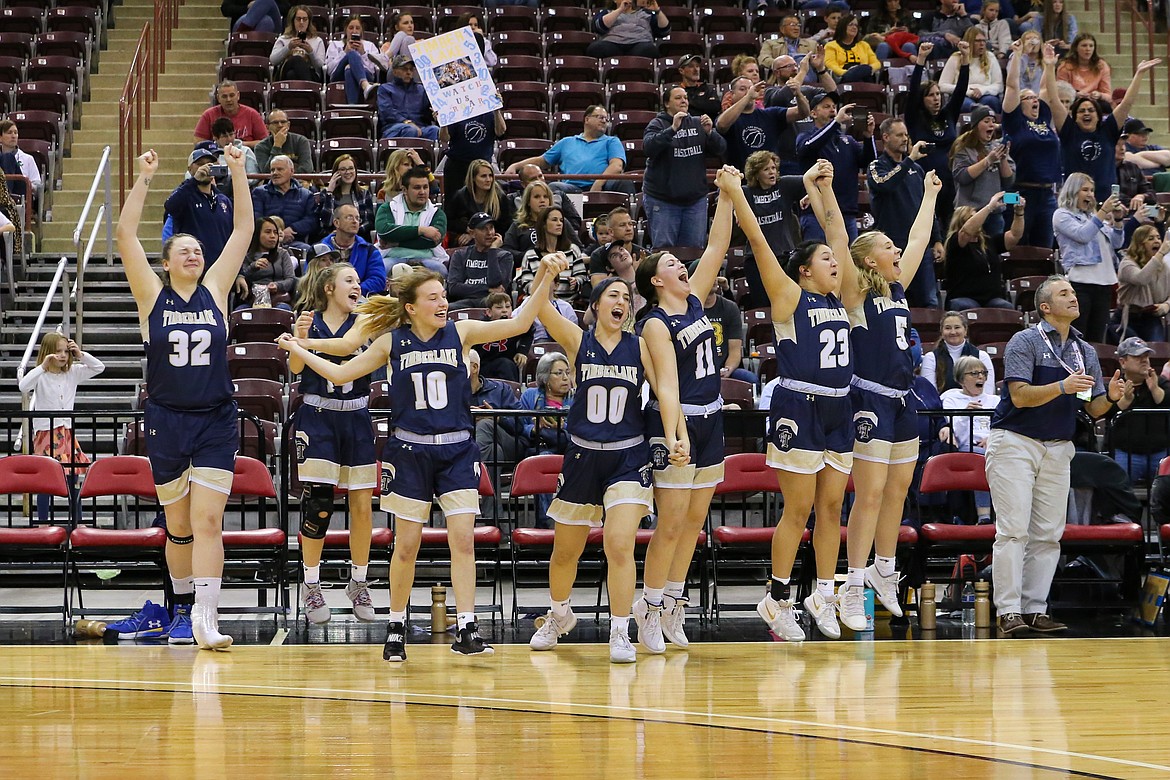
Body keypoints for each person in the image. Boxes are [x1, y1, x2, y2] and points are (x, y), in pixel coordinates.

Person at [278, 255, 566, 661]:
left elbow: (518, 324)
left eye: (444, 295)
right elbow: (341, 373)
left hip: (457, 448)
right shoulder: (391, 341)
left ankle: (466, 626)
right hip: (409, 450)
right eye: (433, 297)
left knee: (463, 541)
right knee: (407, 544)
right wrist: (298, 347)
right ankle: (395, 626)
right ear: (411, 307)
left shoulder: (461, 332)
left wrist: (543, 277)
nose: (443, 302)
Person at [112, 145, 253, 649]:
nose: (195, 254)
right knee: (178, 529)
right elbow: (125, 234)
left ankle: (205, 620)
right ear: (167, 262)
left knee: (209, 519)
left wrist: (238, 172)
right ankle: (181, 608)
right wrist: (145, 178)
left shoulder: (216, 290)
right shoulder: (152, 295)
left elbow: (242, 232)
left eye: (198, 250)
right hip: (166, 419)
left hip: (215, 418)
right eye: (185, 250)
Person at [528, 275, 678, 663]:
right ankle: (559, 616)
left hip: (628, 456)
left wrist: (676, 435)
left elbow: (665, 390)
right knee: (565, 552)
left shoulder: (640, 346)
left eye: (626, 298)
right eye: (613, 295)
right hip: (582, 456)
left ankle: (620, 631)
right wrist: (547, 270)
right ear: (594, 305)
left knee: (620, 543)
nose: (622, 302)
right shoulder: (580, 341)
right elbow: (540, 304)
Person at [739, 160, 858, 641]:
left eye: (835, 259)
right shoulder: (790, 298)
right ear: (805, 270)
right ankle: (778, 597)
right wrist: (736, 195)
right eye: (825, 260)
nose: (835, 262)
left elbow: (842, 238)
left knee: (832, 509)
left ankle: (824, 593)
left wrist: (820, 189)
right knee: (799, 509)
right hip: (800, 406)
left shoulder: (841, 299)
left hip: (839, 406)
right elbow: (761, 243)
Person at [984, 275, 1126, 635]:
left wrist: (1109, 397)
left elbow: (1091, 409)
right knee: (1013, 531)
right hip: (1015, 441)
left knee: (1048, 534)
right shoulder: (1025, 340)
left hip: (1059, 445)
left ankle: (1034, 609)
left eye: (1075, 292)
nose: (1074, 297)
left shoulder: (1086, 351)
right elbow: (1019, 395)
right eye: (1065, 293)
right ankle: (1008, 611)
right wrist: (1063, 386)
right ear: (1045, 307)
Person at [630, 168, 736, 653]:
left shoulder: (694, 301)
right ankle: (647, 606)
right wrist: (676, 435)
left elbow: (715, 246)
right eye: (673, 263)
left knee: (694, 523)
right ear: (657, 280)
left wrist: (728, 196)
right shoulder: (654, 323)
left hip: (711, 415)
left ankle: (673, 601)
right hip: (677, 422)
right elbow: (666, 384)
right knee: (669, 523)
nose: (683, 266)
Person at [839, 160, 944, 628]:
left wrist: (931, 195)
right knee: (871, 492)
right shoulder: (856, 294)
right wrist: (824, 197)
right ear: (866, 260)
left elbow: (919, 239)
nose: (897, 249)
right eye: (887, 245)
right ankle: (853, 580)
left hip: (903, 399)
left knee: (900, 489)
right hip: (869, 399)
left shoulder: (898, 288)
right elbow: (840, 246)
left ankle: (885, 568)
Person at [288, 262, 378, 625]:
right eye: (350, 280)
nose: (358, 285)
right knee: (319, 505)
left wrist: (305, 341)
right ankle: (311, 585)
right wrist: (297, 336)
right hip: (318, 417)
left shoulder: (366, 322)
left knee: (362, 506)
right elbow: (295, 369)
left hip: (356, 416)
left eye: (358, 280)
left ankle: (358, 582)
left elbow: (345, 347)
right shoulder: (308, 319)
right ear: (329, 288)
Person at [18, 333, 103, 524]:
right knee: (45, 480)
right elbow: (24, 387)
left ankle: (77, 521)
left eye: (66, 351)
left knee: (72, 478)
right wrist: (43, 366)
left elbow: (99, 367)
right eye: (58, 351)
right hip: (46, 432)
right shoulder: (42, 375)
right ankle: (42, 521)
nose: (63, 355)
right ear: (48, 352)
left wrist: (80, 354)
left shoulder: (72, 372)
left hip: (65, 432)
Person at [1054, 56, 1161, 203]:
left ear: (1098, 116)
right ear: (1075, 117)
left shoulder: (1108, 131)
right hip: (1074, 203)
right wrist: (1048, 68)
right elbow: (1053, 101)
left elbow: (1126, 103)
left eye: (1091, 110)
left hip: (1105, 202)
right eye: (1081, 111)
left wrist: (1139, 74)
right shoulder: (1069, 132)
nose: (1086, 113)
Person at [867, 117, 943, 308]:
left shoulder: (916, 170)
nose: (905, 139)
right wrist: (909, 160)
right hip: (890, 247)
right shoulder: (877, 166)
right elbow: (884, 185)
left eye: (906, 135)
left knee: (929, 302)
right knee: (892, 301)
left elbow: (927, 206)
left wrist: (937, 238)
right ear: (885, 137)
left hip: (920, 248)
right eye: (899, 135)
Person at [642, 86, 727, 249]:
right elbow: (648, 148)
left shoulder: (697, 122)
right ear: (666, 104)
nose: (684, 101)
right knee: (664, 252)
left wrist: (710, 133)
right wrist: (672, 129)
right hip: (663, 200)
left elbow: (721, 149)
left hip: (695, 201)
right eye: (678, 98)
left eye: (686, 98)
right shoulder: (658, 124)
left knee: (694, 251)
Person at [1001, 39, 1062, 248]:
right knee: (1017, 248)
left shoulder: (1044, 119)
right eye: (1028, 98)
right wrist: (1017, 56)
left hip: (1047, 195)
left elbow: (1045, 87)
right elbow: (1012, 85)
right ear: (1019, 103)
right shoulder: (1015, 121)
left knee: (1044, 249)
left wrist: (1049, 64)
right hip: (1018, 193)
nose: (1035, 100)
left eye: (1035, 98)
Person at [796, 90, 878, 244]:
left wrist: (869, 136)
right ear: (813, 114)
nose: (832, 110)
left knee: (848, 264)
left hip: (846, 213)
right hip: (817, 213)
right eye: (826, 106)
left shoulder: (848, 140)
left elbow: (870, 162)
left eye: (834, 106)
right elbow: (808, 148)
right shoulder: (805, 137)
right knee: (819, 262)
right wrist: (835, 123)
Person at [904, 41, 970, 229]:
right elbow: (913, 91)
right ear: (922, 99)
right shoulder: (914, 119)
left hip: (949, 181)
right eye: (931, 95)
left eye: (938, 94)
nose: (937, 99)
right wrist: (921, 60)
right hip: (924, 182)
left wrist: (965, 59)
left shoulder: (948, 115)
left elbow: (960, 91)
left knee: (950, 228)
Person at [1053, 172, 1124, 343]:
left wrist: (1118, 219)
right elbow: (1083, 235)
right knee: (1079, 336)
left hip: (1104, 283)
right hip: (1081, 284)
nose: (1090, 194)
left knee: (1098, 339)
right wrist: (1104, 212)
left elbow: (1116, 243)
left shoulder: (1093, 217)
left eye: (1092, 190)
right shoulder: (1062, 215)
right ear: (1073, 191)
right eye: (1085, 190)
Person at [505, 106, 630, 195]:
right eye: (600, 117)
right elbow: (542, 161)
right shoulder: (567, 142)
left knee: (623, 182)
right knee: (554, 187)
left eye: (606, 119)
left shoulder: (612, 141)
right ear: (586, 119)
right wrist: (515, 166)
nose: (604, 121)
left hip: (602, 187)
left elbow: (617, 166)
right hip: (572, 188)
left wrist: (598, 183)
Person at [737, 151, 807, 309]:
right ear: (756, 173)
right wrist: (735, 209)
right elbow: (725, 193)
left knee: (788, 305)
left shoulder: (785, 185)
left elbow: (812, 179)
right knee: (763, 306)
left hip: (784, 257)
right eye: (766, 169)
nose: (772, 172)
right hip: (755, 260)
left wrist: (810, 194)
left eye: (774, 168)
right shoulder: (746, 192)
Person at [941, 355, 999, 523]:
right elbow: (954, 434)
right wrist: (966, 414)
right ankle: (985, 517)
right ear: (961, 379)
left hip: (993, 446)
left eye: (983, 373)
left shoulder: (995, 401)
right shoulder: (951, 399)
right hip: (966, 447)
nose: (980, 377)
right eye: (974, 373)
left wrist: (992, 438)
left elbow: (1003, 427)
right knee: (981, 459)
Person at [1107, 336, 1170, 485]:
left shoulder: (1160, 382)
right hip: (1125, 453)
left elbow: (1168, 402)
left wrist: (1154, 389)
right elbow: (1106, 413)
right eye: (1137, 357)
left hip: (1160, 452)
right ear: (1123, 362)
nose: (1144, 360)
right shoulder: (1116, 385)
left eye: (1146, 356)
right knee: (1116, 487)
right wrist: (1126, 400)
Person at [944, 194, 1025, 310]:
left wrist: (1019, 213)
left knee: (1005, 307)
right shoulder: (955, 242)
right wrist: (989, 207)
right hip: (964, 297)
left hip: (993, 298)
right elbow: (966, 232)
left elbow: (1014, 236)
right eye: (972, 218)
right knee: (969, 307)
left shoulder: (989, 242)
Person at [716, 76, 809, 172]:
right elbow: (722, 125)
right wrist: (748, 96)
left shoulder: (770, 114)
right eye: (742, 89)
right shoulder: (729, 117)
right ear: (732, 94)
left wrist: (798, 94)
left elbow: (803, 113)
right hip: (740, 176)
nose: (750, 92)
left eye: (751, 89)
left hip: (770, 177)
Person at [951, 105, 1016, 237]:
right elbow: (962, 177)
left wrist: (1003, 160)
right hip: (969, 213)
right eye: (986, 121)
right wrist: (988, 160)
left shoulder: (997, 147)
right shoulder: (963, 149)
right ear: (975, 126)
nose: (991, 125)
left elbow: (1009, 181)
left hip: (994, 214)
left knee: (993, 254)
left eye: (993, 121)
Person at [164, 144, 234, 268]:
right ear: (189, 169)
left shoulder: (224, 200)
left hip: (221, 271)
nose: (206, 167)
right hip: (192, 267)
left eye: (210, 163)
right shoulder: (184, 196)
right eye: (200, 164)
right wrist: (194, 181)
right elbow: (170, 206)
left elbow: (233, 238)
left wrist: (239, 273)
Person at [375, 165, 448, 275]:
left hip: (426, 259)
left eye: (425, 187)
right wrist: (420, 230)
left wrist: (397, 242)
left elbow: (431, 241)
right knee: (380, 270)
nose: (422, 192)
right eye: (417, 188)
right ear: (404, 190)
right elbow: (385, 232)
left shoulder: (437, 213)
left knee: (440, 270)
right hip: (393, 257)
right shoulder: (387, 208)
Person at [696, 265, 757, 384]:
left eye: (715, 275)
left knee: (750, 379)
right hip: (697, 370)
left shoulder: (729, 307)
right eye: (708, 275)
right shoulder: (686, 308)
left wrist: (727, 370)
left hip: (723, 367)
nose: (713, 278)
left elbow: (735, 350)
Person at [251, 155, 322, 252]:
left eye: (280, 169)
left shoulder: (306, 195)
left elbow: (312, 220)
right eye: (272, 170)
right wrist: (275, 233)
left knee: (310, 251)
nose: (275, 173)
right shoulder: (259, 193)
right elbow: (257, 219)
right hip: (266, 243)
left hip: (294, 241)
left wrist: (292, 229)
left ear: (292, 171)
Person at [438, 104, 507, 201]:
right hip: (458, 166)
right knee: (454, 204)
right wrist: (443, 122)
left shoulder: (489, 113)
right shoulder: (456, 112)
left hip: (482, 166)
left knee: (484, 203)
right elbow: (444, 139)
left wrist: (497, 109)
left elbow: (501, 131)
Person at [517, 206, 587, 299]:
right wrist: (544, 289)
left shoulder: (573, 250)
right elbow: (526, 284)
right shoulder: (530, 255)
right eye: (554, 220)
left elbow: (582, 276)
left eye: (561, 220)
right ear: (543, 224)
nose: (559, 224)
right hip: (539, 304)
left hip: (567, 304)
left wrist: (576, 282)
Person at [446, 212, 512, 309]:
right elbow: (454, 288)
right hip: (464, 303)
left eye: (491, 228)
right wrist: (487, 289)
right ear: (472, 233)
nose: (489, 233)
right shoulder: (460, 255)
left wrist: (493, 250)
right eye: (483, 229)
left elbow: (497, 286)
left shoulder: (504, 256)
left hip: (493, 304)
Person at [318, 204, 386, 297]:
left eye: (358, 218)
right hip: (326, 299)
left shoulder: (370, 251)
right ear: (336, 223)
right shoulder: (319, 250)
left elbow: (378, 280)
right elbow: (311, 278)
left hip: (359, 300)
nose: (355, 221)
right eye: (349, 217)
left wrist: (352, 291)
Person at [922, 310, 998, 393]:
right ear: (942, 332)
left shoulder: (982, 356)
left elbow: (988, 392)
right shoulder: (930, 358)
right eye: (948, 328)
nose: (953, 332)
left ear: (965, 331)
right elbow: (930, 395)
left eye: (957, 327)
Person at [1116, 226, 1170, 342]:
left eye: (1158, 238)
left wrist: (1166, 305)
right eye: (1150, 238)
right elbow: (1141, 278)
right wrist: (1160, 254)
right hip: (1128, 317)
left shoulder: (1164, 266)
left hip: (1151, 317)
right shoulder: (1126, 264)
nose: (1156, 241)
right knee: (1134, 353)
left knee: (1157, 353)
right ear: (1140, 244)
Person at [444, 161, 515, 247]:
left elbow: (506, 225)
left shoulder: (500, 197)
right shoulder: (461, 196)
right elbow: (449, 221)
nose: (488, 180)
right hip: (468, 239)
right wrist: (469, 231)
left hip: (494, 238)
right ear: (473, 178)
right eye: (483, 176)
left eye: (490, 175)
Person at [234, 216, 297, 309]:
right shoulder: (246, 255)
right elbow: (241, 279)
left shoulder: (283, 254)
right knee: (240, 312)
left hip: (278, 300)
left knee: (283, 310)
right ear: (257, 234)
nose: (273, 236)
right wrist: (253, 267)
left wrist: (277, 286)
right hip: (251, 301)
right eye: (268, 232)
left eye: (275, 232)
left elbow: (291, 279)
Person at [325, 17, 388, 105]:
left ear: (361, 31)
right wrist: (345, 52)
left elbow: (373, 71)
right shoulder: (335, 45)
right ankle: (365, 86)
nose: (354, 31)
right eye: (351, 28)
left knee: (349, 69)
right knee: (351, 54)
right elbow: (330, 70)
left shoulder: (370, 46)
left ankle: (352, 107)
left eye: (357, 28)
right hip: (338, 75)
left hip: (366, 75)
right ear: (346, 30)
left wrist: (363, 53)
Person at [939, 26, 1003, 112]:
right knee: (966, 104)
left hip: (985, 94)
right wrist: (967, 91)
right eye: (978, 41)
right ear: (969, 42)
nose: (982, 44)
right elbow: (942, 85)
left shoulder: (990, 57)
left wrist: (982, 90)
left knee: (991, 102)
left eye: (984, 41)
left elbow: (998, 85)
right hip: (963, 95)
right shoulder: (956, 58)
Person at [377, 56, 438, 141]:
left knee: (435, 130)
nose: (408, 72)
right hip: (393, 127)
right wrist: (407, 122)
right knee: (410, 130)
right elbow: (387, 112)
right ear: (394, 71)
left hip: (420, 127)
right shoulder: (385, 89)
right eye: (404, 69)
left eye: (411, 69)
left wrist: (435, 115)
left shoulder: (421, 89)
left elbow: (427, 113)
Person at [587, 0, 670, 59]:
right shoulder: (607, 12)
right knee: (596, 48)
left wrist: (657, 11)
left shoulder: (646, 13)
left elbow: (664, 31)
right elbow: (599, 27)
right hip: (612, 44)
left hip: (640, 43)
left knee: (649, 50)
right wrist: (620, 10)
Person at [194, 80, 268, 147]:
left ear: (238, 96)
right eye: (224, 96)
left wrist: (240, 144)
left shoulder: (252, 114)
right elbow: (198, 143)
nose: (228, 100)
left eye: (232, 95)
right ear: (218, 98)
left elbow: (265, 143)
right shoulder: (208, 115)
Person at [319, 154, 376, 241]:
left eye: (351, 168)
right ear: (336, 173)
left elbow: (370, 222)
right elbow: (326, 222)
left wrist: (352, 231)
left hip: (358, 239)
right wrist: (330, 192)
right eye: (343, 169)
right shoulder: (326, 193)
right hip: (332, 240)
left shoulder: (364, 194)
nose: (348, 172)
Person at [588, 206, 647, 288]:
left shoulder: (643, 255)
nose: (628, 228)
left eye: (630, 224)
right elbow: (598, 290)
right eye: (622, 225)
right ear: (611, 232)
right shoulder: (599, 255)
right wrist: (630, 273)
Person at [480, 292, 532, 383]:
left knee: (505, 364)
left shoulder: (514, 325)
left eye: (507, 307)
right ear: (489, 312)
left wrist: (522, 351)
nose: (504, 310)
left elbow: (528, 332)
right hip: (483, 367)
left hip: (507, 367)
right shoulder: (479, 326)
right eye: (499, 307)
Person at [270, 5, 326, 82]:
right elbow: (273, 60)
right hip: (283, 73)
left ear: (309, 21)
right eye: (298, 19)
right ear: (293, 21)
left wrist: (310, 51)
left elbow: (320, 65)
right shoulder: (283, 39)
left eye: (305, 19)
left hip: (310, 73)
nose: (301, 22)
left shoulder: (317, 40)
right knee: (296, 59)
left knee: (292, 75)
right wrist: (288, 48)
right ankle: (307, 88)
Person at [825, 14, 882, 83]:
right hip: (843, 78)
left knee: (863, 70)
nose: (854, 27)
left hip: (864, 74)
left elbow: (876, 63)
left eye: (856, 25)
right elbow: (830, 65)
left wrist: (869, 69)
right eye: (851, 24)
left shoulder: (864, 45)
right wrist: (847, 73)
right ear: (842, 27)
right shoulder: (831, 46)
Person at [254, 110, 315, 174]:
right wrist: (277, 146)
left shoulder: (301, 141)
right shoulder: (261, 146)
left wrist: (281, 173)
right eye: (275, 122)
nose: (280, 125)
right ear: (267, 127)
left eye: (283, 122)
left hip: (298, 181)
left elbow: (307, 168)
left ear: (288, 125)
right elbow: (266, 172)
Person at [0, 119, 42, 202]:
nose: (13, 136)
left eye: (15, 133)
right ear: (0, 137)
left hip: (21, 195)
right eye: (9, 132)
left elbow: (37, 186)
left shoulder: (28, 159)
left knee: (8, 157)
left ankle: (7, 198)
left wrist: (29, 185)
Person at [210, 118, 260, 183]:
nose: (229, 139)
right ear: (215, 138)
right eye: (224, 136)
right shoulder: (209, 153)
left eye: (231, 134)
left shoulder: (245, 151)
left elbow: (254, 177)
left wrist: (236, 183)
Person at [678, 54, 722, 121]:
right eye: (691, 66)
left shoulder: (708, 88)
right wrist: (703, 103)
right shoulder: (677, 91)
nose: (696, 69)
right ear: (681, 71)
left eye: (697, 66)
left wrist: (690, 102)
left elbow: (715, 107)